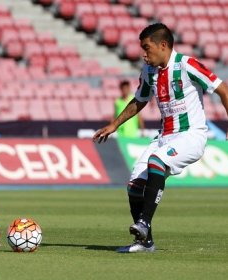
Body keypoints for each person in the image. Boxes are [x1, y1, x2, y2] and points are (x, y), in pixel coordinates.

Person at [93, 23, 228, 253]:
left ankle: (143, 223)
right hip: (164, 137)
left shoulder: (187, 65)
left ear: (163, 45)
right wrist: (114, 124)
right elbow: (140, 100)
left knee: (157, 161)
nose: (144, 54)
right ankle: (145, 242)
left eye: (147, 48)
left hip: (191, 135)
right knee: (134, 185)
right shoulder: (148, 71)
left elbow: (223, 90)